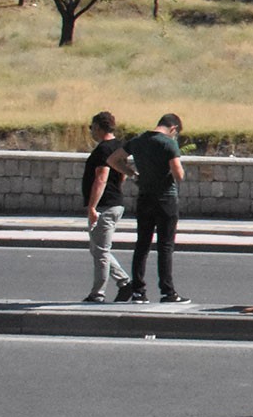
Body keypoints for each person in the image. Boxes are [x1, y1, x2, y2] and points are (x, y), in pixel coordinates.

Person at [111, 112, 188, 304]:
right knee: (165, 246)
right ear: (173, 129)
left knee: (142, 245)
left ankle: (138, 291)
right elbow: (179, 174)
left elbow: (113, 160)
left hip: (144, 198)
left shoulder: (137, 141)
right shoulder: (168, 143)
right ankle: (167, 292)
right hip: (166, 200)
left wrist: (133, 173)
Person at [80, 110, 135, 303]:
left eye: (91, 128)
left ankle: (98, 293)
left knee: (101, 251)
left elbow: (101, 178)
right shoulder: (119, 146)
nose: (91, 131)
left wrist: (92, 207)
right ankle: (124, 283)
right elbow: (122, 175)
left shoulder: (103, 150)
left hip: (105, 205)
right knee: (98, 249)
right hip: (114, 202)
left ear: (98, 127)